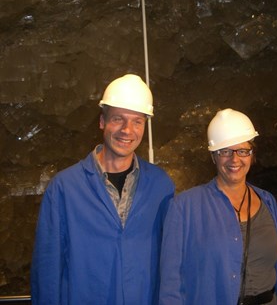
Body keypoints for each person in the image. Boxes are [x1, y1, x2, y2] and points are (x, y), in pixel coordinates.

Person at [30, 74, 175, 305]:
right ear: (102, 121)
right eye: (118, 119)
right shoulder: (64, 187)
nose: (127, 130)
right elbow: (47, 269)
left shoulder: (161, 185)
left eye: (137, 121)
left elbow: (171, 260)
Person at [159, 108, 277, 305]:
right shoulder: (184, 207)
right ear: (213, 156)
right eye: (225, 151)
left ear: (252, 155)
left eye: (242, 151)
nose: (235, 159)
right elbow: (171, 283)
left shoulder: (267, 201)